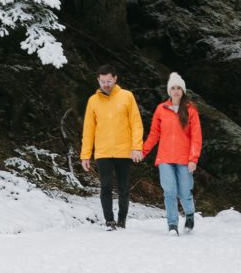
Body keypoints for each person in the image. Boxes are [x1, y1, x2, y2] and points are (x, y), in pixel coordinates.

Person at [138, 72, 203, 235]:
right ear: (169, 91)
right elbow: (154, 134)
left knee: (185, 191)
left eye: (178, 88)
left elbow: (196, 137)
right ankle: (172, 225)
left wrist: (193, 158)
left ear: (183, 91)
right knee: (169, 191)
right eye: (173, 88)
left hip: (184, 158)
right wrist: (143, 151)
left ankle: (189, 214)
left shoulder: (191, 110)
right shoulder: (161, 109)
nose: (175, 91)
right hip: (165, 157)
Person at [79, 66, 143, 230]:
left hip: (124, 150)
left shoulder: (127, 96)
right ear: (98, 81)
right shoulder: (93, 100)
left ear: (115, 78)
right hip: (103, 151)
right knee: (106, 186)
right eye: (102, 81)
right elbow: (88, 129)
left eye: (108, 81)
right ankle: (109, 220)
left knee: (123, 187)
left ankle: (122, 219)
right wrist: (85, 155)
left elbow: (136, 123)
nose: (106, 84)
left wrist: (137, 147)